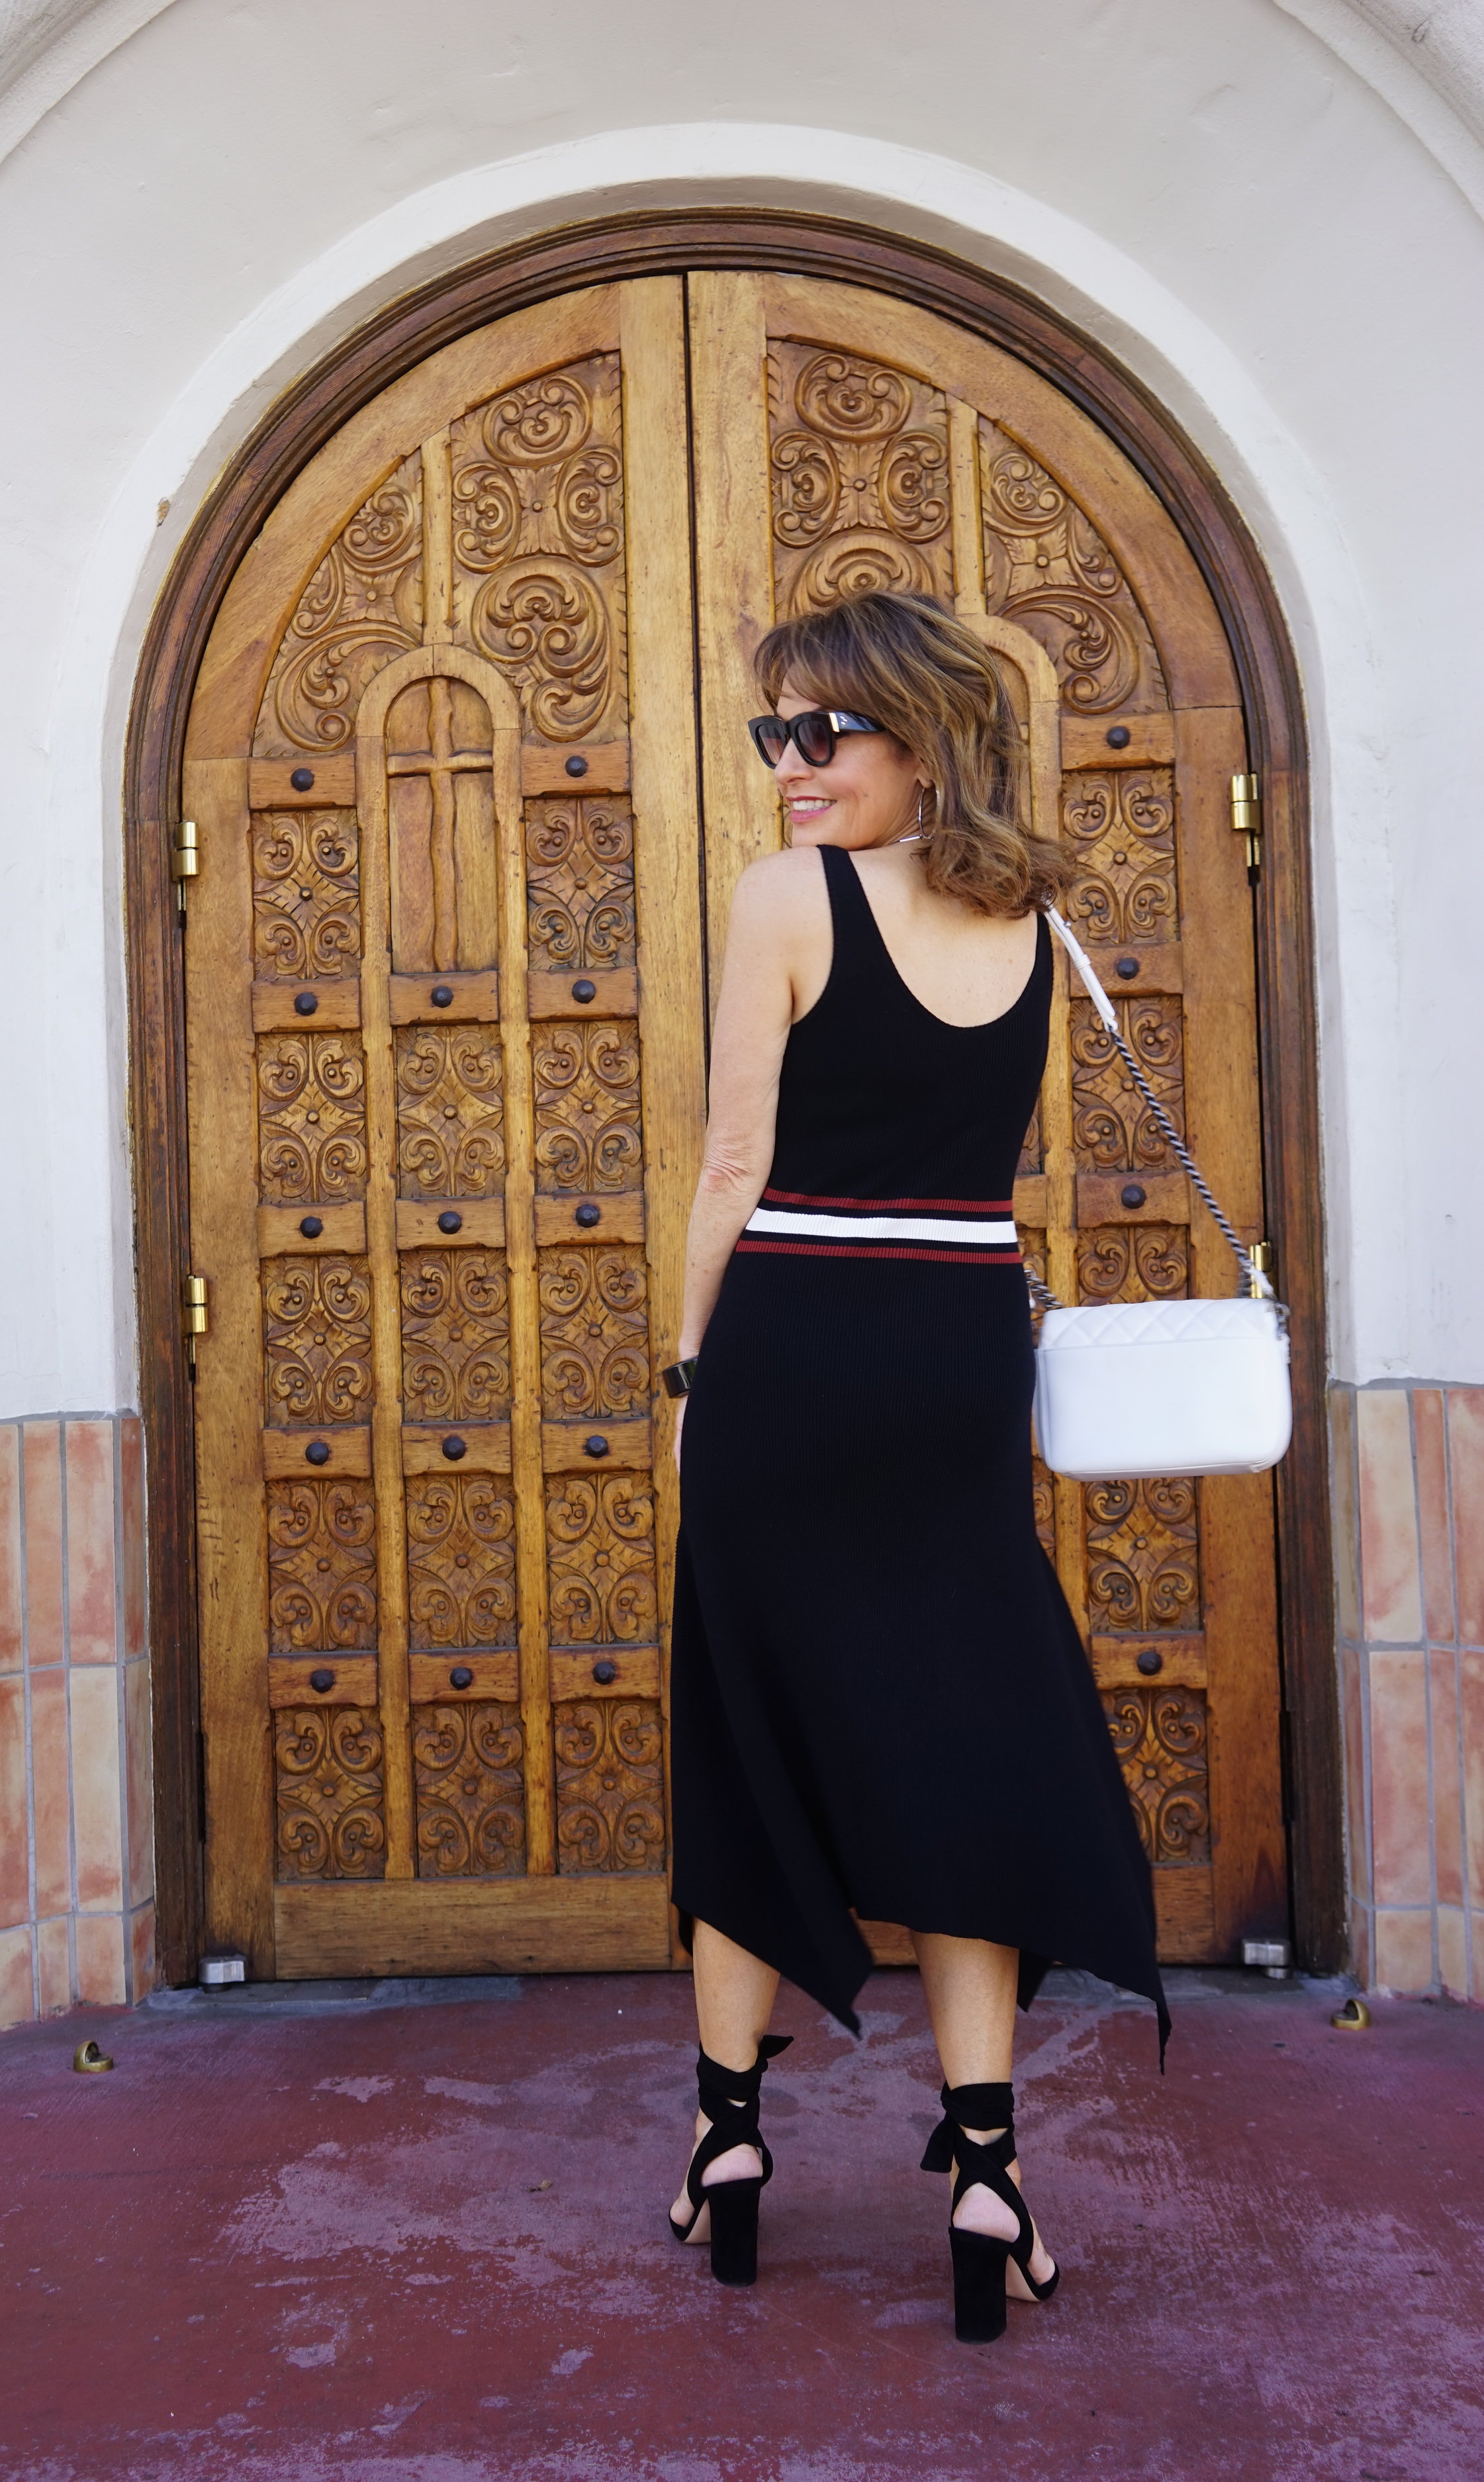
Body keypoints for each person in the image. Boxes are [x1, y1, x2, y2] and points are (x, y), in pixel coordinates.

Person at [661, 589, 1166, 2344]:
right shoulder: (1028, 919)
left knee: (744, 1737)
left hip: (790, 1343)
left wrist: (684, 1376)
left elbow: (734, 1161)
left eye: (822, 734)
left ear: (919, 735)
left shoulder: (784, 901)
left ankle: (726, 2151)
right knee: (958, 1743)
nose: (788, 770)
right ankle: (982, 2175)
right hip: (954, 1346)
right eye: (770, 734)